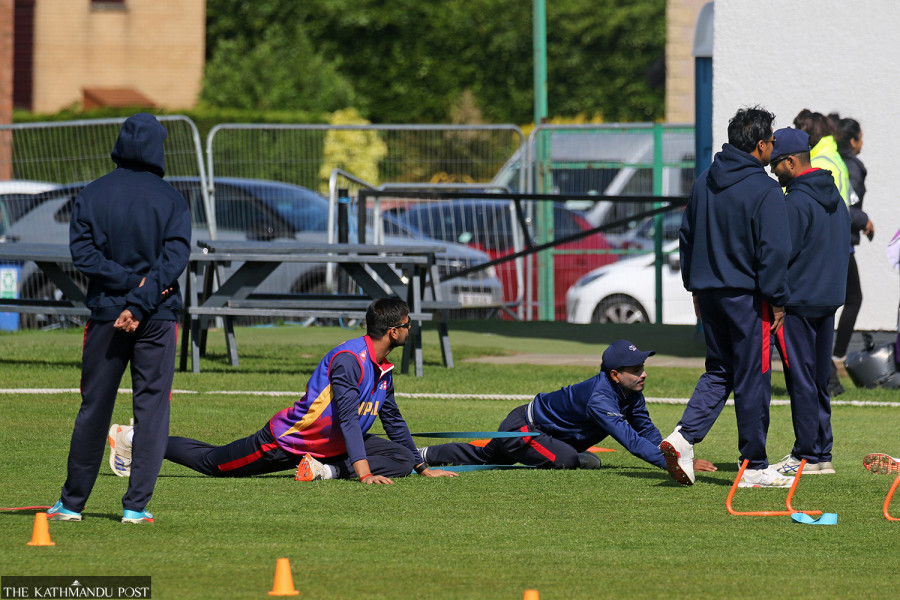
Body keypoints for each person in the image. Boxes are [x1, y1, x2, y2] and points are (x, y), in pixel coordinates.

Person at [109, 297, 457, 484]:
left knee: (400, 457)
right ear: (394, 331)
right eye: (408, 325)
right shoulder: (351, 359)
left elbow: (392, 417)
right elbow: (349, 420)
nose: (411, 330)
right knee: (213, 463)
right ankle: (135, 437)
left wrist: (421, 467)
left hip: (330, 450)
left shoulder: (384, 368)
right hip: (289, 442)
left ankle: (325, 472)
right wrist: (364, 474)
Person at [47, 113, 191, 524]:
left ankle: (72, 504)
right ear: (158, 148)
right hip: (158, 316)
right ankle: (135, 506)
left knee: (94, 407)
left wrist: (128, 294)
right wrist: (143, 295)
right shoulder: (171, 198)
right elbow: (175, 258)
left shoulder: (92, 193)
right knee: (152, 410)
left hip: (108, 314)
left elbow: (84, 255)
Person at [660, 106, 793, 488]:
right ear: (760, 145)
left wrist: (694, 287)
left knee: (720, 370)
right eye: (770, 140)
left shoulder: (704, 180)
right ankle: (754, 466)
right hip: (748, 298)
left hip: (709, 292)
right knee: (754, 378)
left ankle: (683, 438)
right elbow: (774, 251)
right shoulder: (765, 188)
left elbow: (686, 236)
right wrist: (778, 299)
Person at [420, 339, 717, 477]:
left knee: (484, 457)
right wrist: (671, 464)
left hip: (535, 432)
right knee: (566, 460)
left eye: (643, 366)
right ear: (614, 374)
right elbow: (629, 439)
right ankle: (579, 458)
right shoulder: (601, 398)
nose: (644, 373)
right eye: (636, 368)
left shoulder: (631, 391)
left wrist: (674, 455)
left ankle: (423, 454)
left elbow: (646, 430)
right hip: (523, 429)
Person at [766, 127, 849, 476]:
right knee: (817, 378)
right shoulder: (837, 197)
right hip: (828, 300)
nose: (772, 171)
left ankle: (806, 454)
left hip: (797, 303)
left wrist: (776, 298)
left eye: (775, 164)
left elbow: (781, 254)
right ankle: (822, 453)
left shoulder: (794, 201)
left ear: (790, 161)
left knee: (800, 378)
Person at [828, 114, 874, 365]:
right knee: (853, 299)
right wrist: (864, 220)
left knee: (837, 297)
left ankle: (831, 354)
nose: (862, 142)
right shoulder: (852, 166)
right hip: (841, 241)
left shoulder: (834, 160)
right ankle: (837, 356)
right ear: (853, 140)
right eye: (861, 137)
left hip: (834, 239)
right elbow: (847, 205)